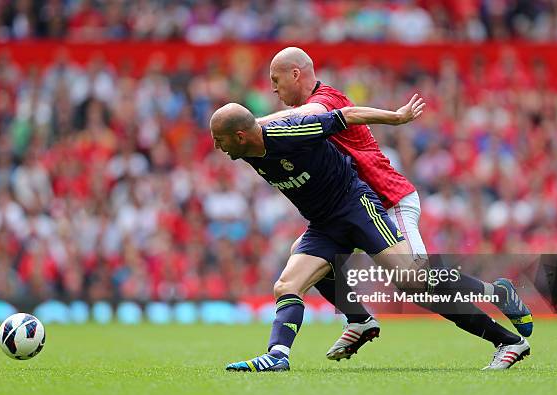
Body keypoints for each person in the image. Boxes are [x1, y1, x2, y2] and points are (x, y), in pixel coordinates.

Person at [210, 101, 531, 372]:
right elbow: (256, 122)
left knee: (412, 280)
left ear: (239, 136)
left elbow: (345, 115)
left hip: (356, 208)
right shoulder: (248, 142)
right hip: (323, 225)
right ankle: (279, 355)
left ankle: (503, 319)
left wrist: (396, 117)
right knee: (286, 285)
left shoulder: (292, 131)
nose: (217, 147)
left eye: (220, 140)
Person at [257, 47, 533, 361]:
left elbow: (301, 118)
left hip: (388, 201)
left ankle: (498, 299)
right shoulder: (314, 103)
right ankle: (359, 320)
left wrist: (251, 124)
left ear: (296, 74)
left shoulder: (324, 101)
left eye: (276, 80)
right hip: (352, 207)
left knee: (416, 282)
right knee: (307, 256)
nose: (273, 88)